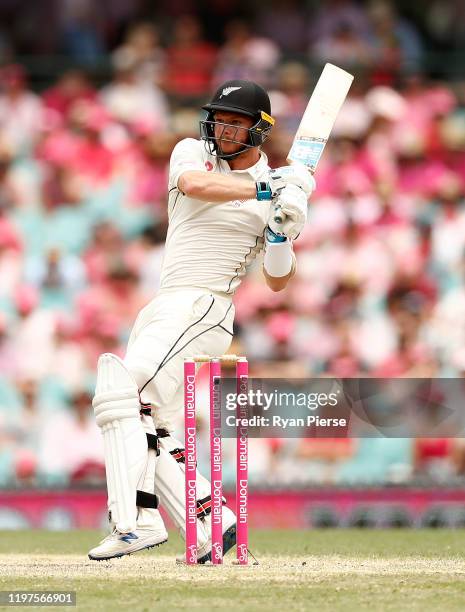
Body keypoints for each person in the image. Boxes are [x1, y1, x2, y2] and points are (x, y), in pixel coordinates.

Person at [88, 79, 315, 562]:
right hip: (165, 303)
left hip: (205, 306)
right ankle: (214, 521)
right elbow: (195, 187)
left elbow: (278, 281)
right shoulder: (193, 153)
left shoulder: (280, 188)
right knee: (152, 423)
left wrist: (280, 232)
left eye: (236, 122)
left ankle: (134, 522)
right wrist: (268, 187)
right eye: (220, 119)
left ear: (259, 129)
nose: (224, 129)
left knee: (121, 391)